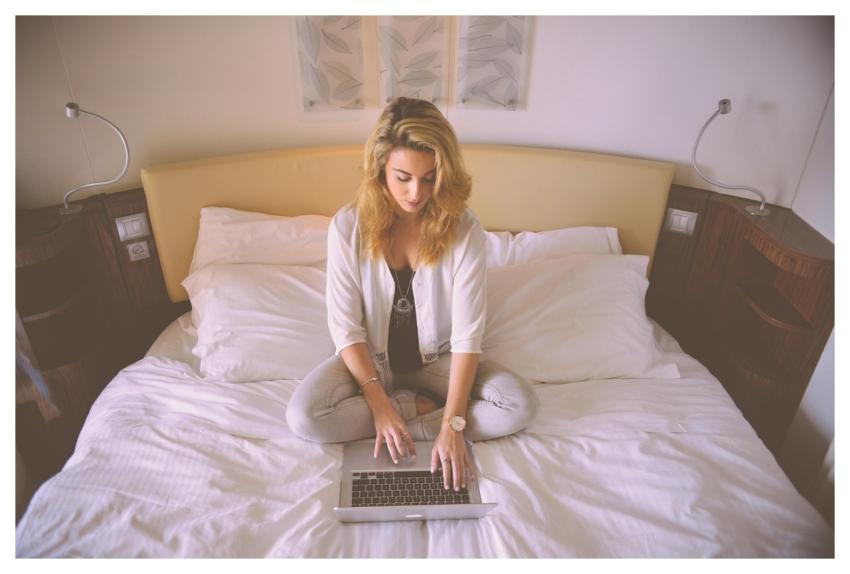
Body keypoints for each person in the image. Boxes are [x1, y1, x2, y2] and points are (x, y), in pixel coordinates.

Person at [286, 97, 538, 492]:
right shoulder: (347, 226)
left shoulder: (464, 230)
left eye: (429, 177)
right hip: (372, 365)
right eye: (402, 177)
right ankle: (413, 410)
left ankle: (426, 421)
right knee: (305, 417)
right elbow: (346, 327)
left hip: (439, 360)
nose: (416, 193)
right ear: (380, 170)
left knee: (519, 404)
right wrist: (380, 403)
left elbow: (468, 336)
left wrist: (453, 426)